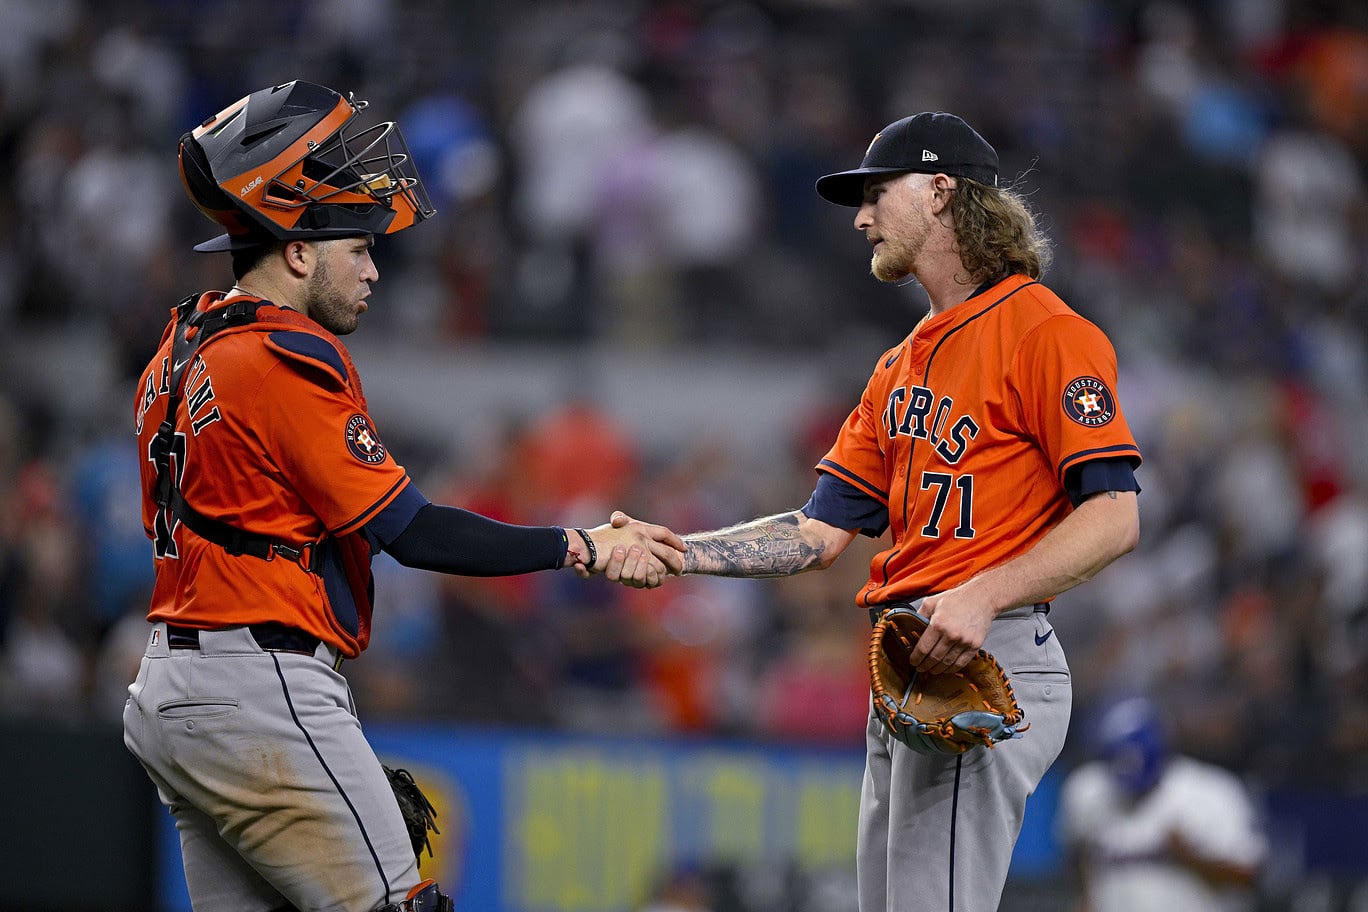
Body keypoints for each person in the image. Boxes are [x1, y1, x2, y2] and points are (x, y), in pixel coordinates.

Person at [122, 80, 684, 912]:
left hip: (175, 690)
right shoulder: (282, 354)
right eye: (360, 246)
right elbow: (414, 532)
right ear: (300, 251)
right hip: (259, 679)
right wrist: (581, 546)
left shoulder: (184, 342)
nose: (375, 269)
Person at [614, 111, 1142, 911]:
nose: (860, 217)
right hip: (905, 663)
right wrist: (681, 550)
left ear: (939, 192)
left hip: (986, 654)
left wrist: (984, 592)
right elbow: (818, 532)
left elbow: (1114, 516)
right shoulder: (899, 364)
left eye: (876, 193)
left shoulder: (1045, 331)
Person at [1057, 697, 1267, 912]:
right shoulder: (1087, 790)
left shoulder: (1213, 791)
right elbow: (1076, 853)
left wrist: (1192, 858)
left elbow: (1250, 876)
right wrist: (1086, 898)